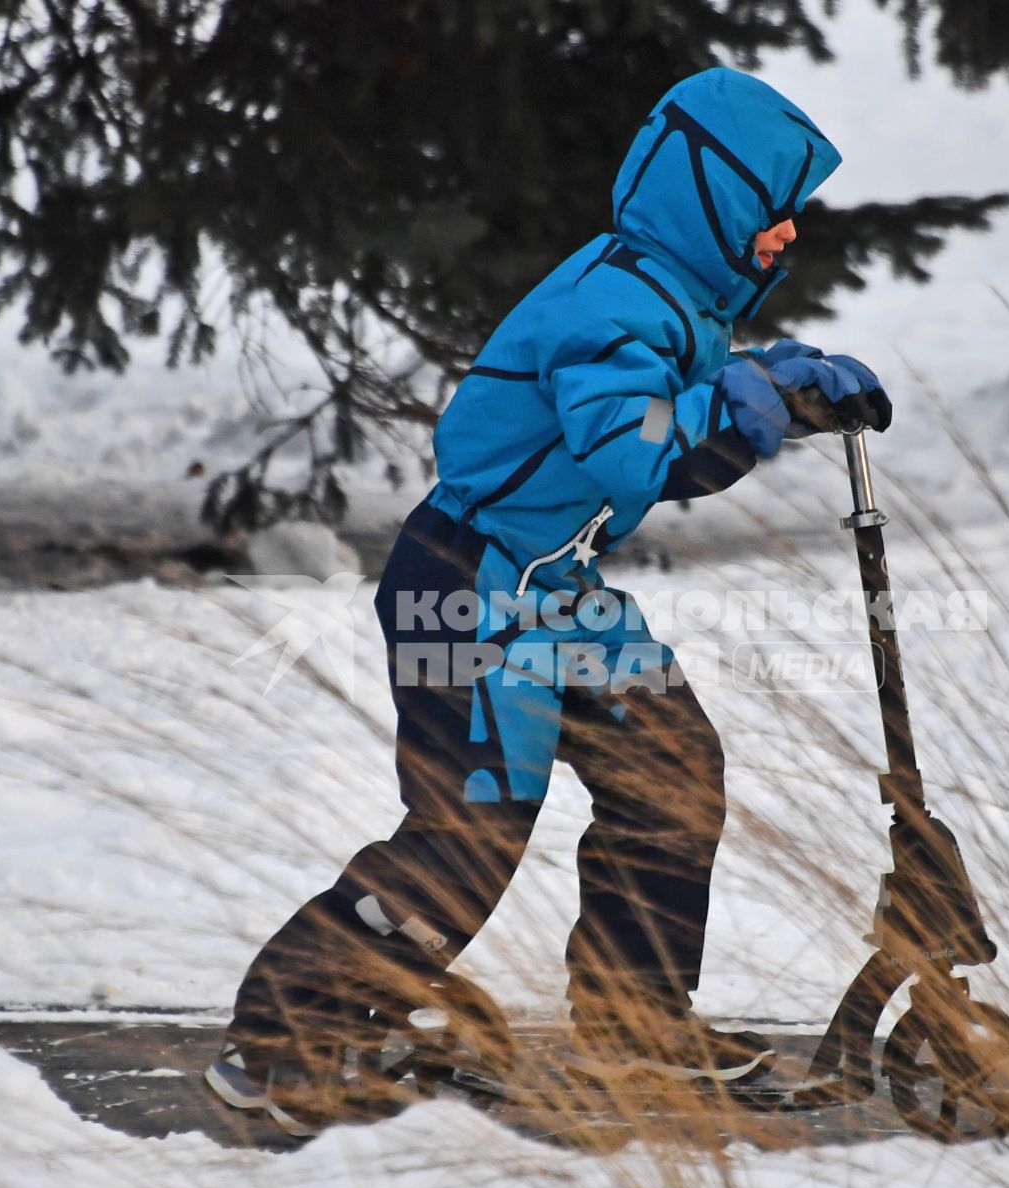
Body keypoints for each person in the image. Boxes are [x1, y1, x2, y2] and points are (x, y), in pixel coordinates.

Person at [212, 67, 892, 1126]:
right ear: (708, 197)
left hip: (551, 587)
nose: (784, 238)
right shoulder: (612, 299)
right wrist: (756, 400)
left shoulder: (671, 295)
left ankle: (637, 1022)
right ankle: (281, 1040)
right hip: (468, 586)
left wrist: (785, 379)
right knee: (470, 826)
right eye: (771, 214)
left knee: (671, 767)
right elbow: (634, 451)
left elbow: (686, 395)